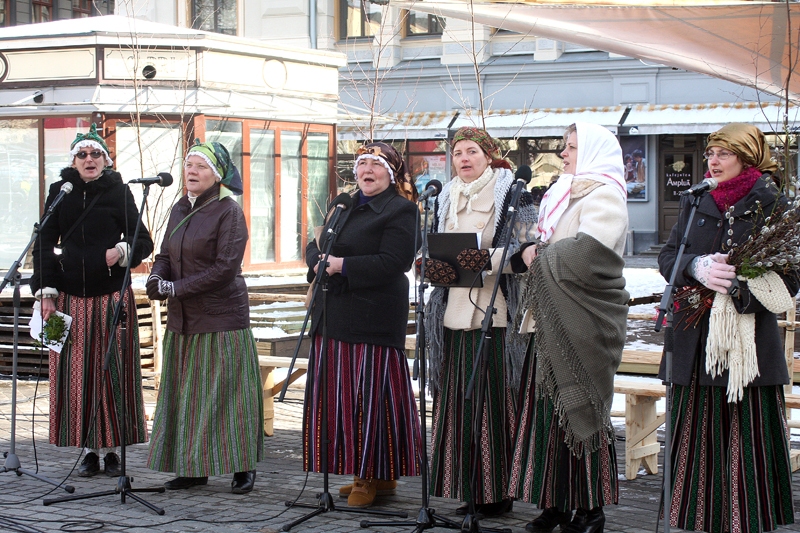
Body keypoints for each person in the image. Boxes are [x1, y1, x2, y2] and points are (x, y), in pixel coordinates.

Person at [658, 123, 798, 533]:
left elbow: (789, 278)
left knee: (744, 439)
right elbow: (668, 258)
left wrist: (739, 289)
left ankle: (746, 520)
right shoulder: (695, 199)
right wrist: (694, 268)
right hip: (693, 339)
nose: (712, 162)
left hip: (746, 343)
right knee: (697, 441)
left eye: (723, 153)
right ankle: (699, 519)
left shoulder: (773, 204)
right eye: (710, 154)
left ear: (747, 155)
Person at [509, 122, 629, 533]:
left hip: (583, 322)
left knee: (583, 410)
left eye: (573, 147)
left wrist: (538, 254)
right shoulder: (562, 193)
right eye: (564, 146)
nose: (564, 154)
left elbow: (591, 254)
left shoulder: (605, 194)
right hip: (548, 321)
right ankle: (555, 502)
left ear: (594, 151)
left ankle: (591, 509)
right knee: (547, 416)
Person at [302, 141, 423, 508]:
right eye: (361, 164)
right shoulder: (343, 205)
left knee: (368, 400)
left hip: (372, 318)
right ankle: (377, 476)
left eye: (375, 164)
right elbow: (318, 242)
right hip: (334, 315)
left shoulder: (401, 210)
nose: (366, 170)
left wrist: (342, 266)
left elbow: (396, 261)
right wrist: (318, 258)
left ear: (390, 173)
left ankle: (368, 476)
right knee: (338, 399)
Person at [424, 126, 537, 517]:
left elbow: (525, 251)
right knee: (458, 403)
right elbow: (441, 247)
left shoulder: (512, 194)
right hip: (452, 314)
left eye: (472, 151)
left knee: (493, 403)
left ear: (489, 155)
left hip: (495, 313)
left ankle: (498, 492)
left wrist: (484, 261)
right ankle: (470, 488)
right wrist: (431, 264)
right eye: (458, 154)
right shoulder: (445, 197)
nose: (464, 159)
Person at [30, 123, 153, 477]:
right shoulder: (60, 191)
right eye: (82, 154)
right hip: (68, 299)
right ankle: (87, 449)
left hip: (111, 297)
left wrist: (122, 250)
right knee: (75, 375)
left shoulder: (118, 193)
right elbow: (42, 245)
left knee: (112, 372)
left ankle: (112, 449)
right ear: (73, 159)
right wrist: (47, 293)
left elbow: (143, 240)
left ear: (105, 160)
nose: (89, 159)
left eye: (95, 154)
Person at [146, 141, 263, 494]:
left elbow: (225, 268)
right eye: (189, 165)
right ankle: (193, 466)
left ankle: (242, 467)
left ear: (217, 175)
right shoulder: (180, 206)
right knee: (188, 397)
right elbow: (166, 252)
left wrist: (175, 288)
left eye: (200, 166)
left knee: (228, 396)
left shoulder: (229, 211)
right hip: (184, 321)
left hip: (221, 318)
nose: (192, 172)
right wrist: (156, 275)